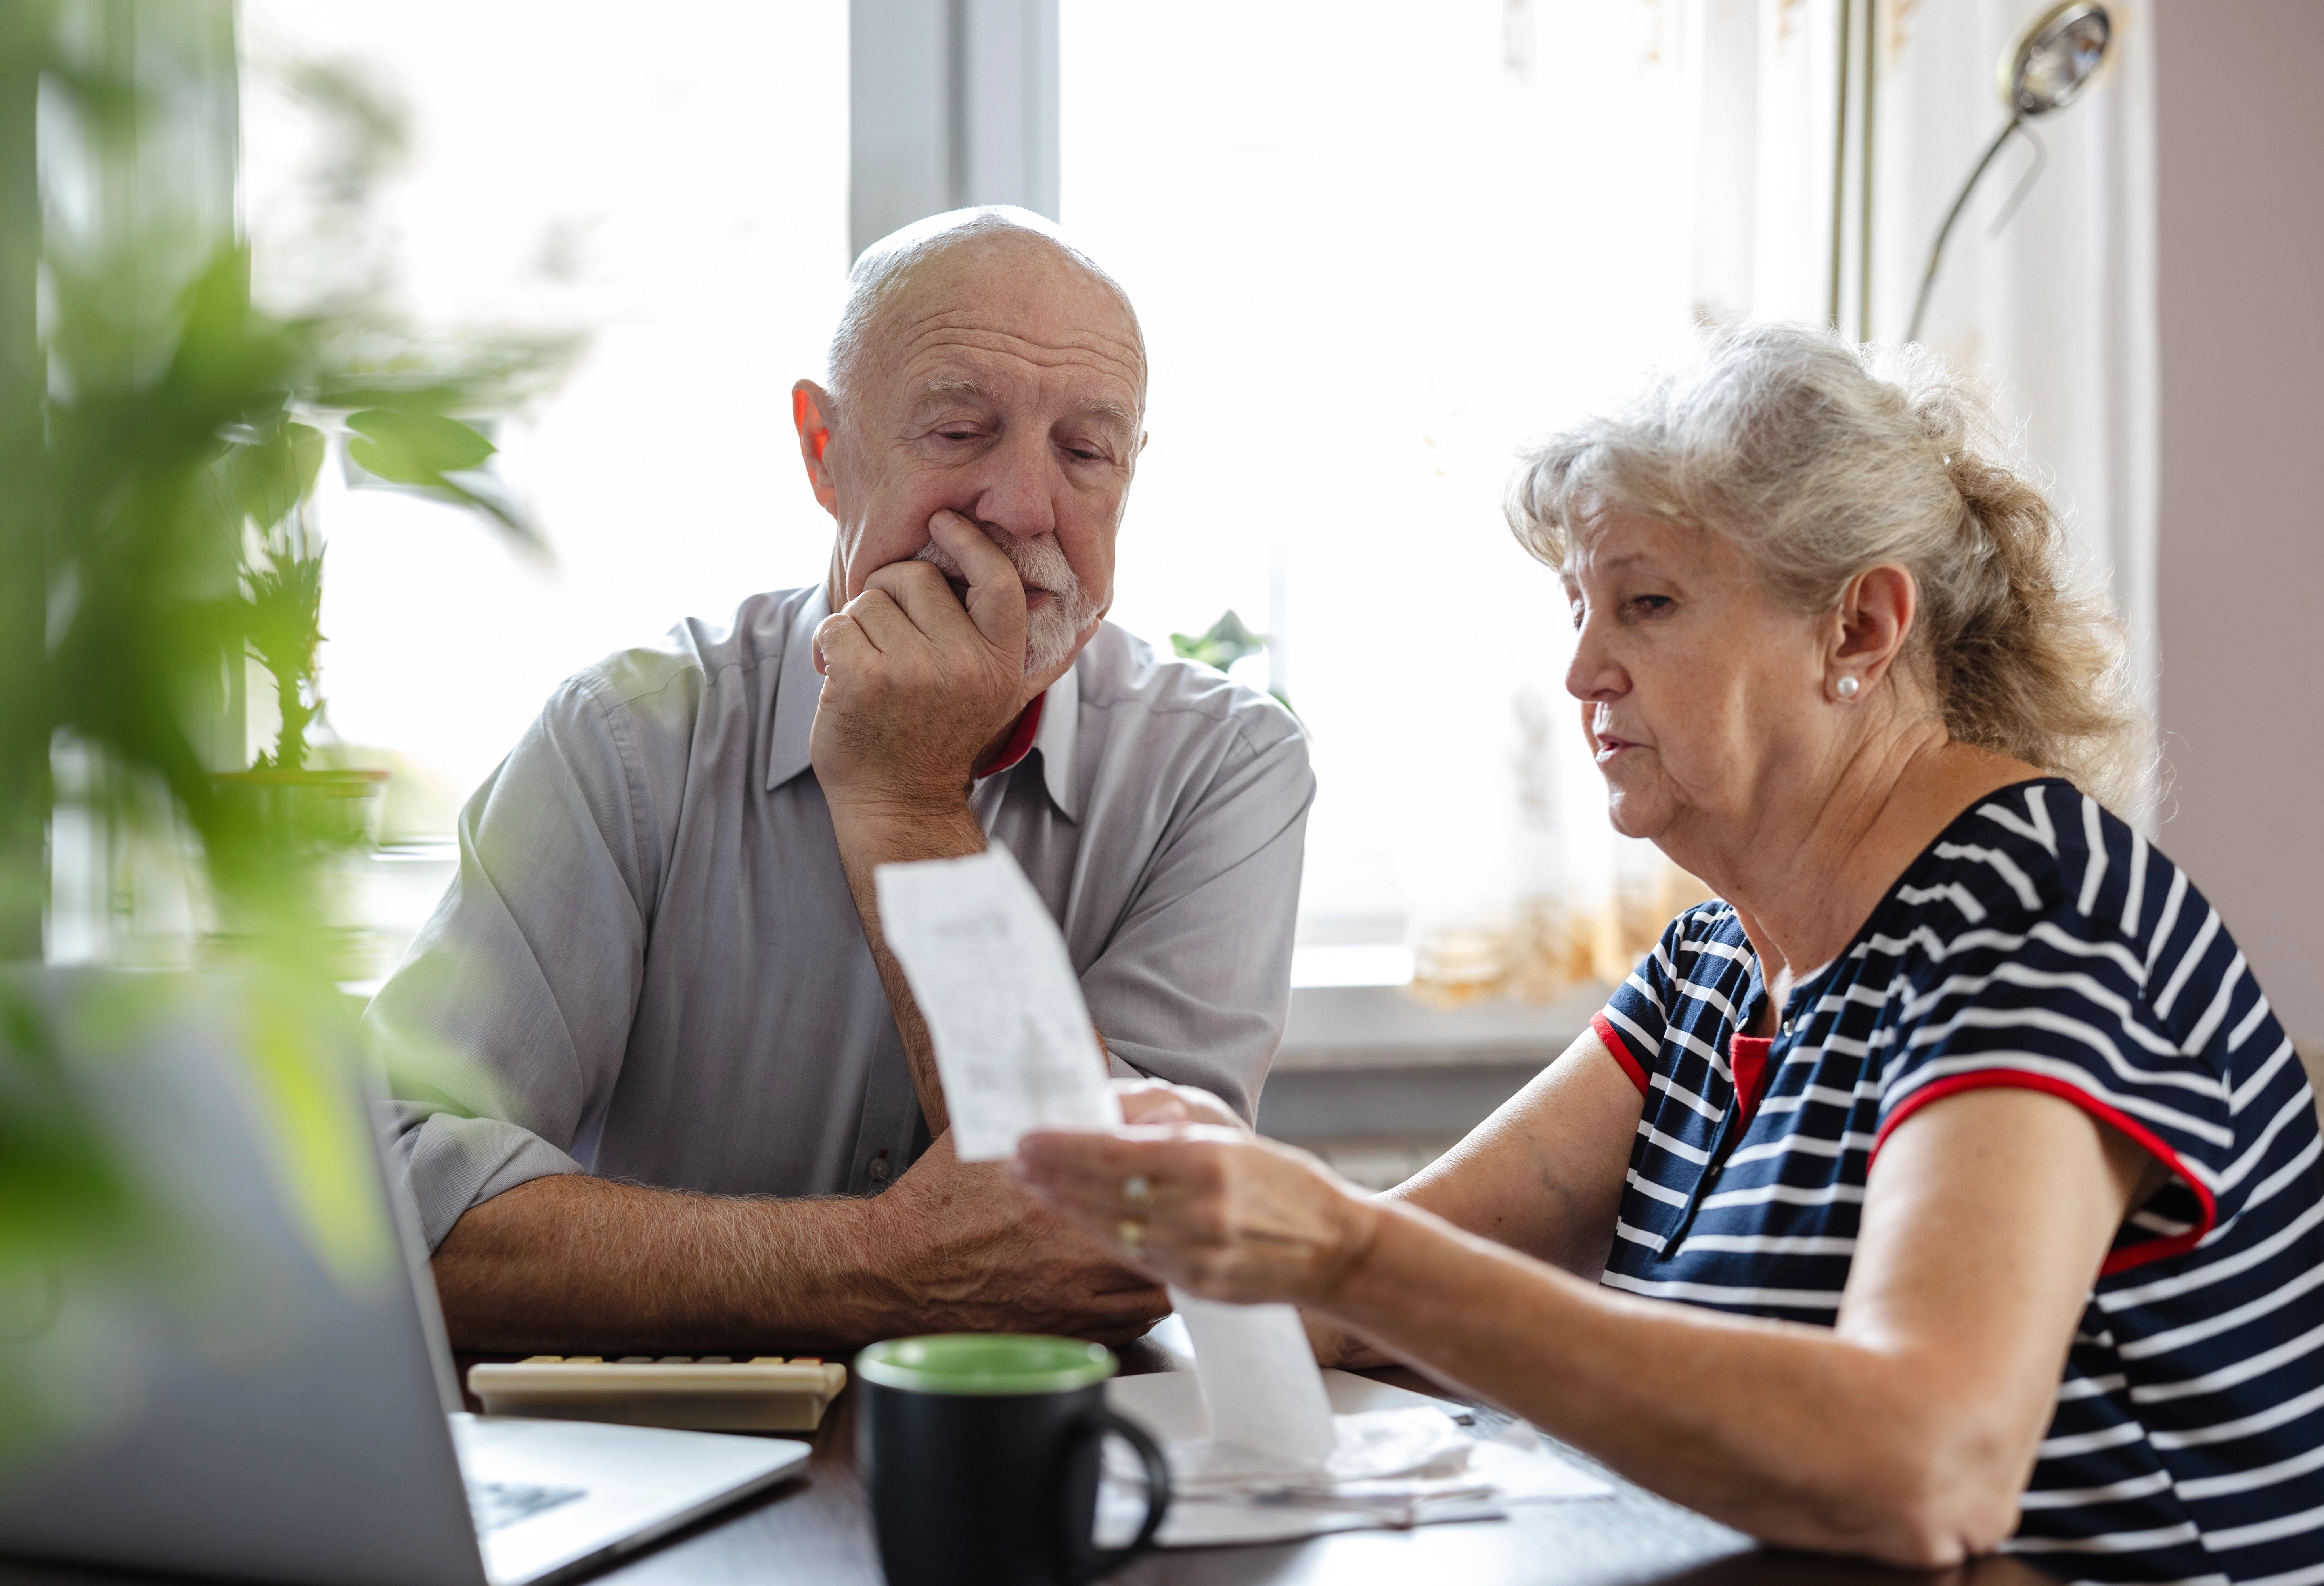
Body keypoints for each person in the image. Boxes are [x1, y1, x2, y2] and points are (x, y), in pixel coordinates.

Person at [1014, 323, 2324, 1583]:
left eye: (1646, 604)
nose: (1583, 671)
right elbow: (1351, 1306)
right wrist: (1188, 1202)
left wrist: (1341, 1247)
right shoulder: (1715, 967)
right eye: (1581, 609)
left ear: (1860, 631)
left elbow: (1929, 1463)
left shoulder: (2032, 918)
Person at [368, 207, 1312, 1354]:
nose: (1022, 508)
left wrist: (907, 808)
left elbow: (1126, 1236)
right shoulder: (626, 742)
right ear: (824, 451)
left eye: (1085, 452)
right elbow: (395, 1213)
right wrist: (874, 1273)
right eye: (960, 430)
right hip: (655, 1480)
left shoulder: (1224, 768)